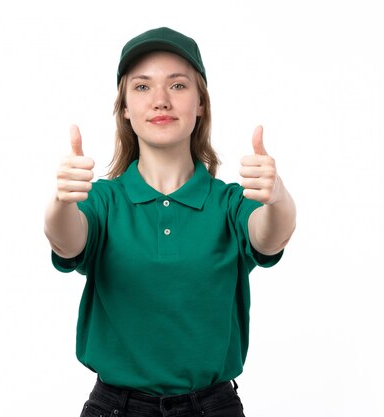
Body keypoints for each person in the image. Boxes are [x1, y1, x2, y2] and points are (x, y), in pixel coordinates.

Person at [44, 27, 296, 417]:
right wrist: (61, 201)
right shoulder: (103, 200)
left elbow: (268, 237)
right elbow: (68, 241)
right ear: (125, 108)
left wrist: (277, 197)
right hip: (116, 407)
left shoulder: (228, 202)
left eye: (178, 86)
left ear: (200, 105)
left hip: (213, 407)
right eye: (142, 88)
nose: (160, 101)